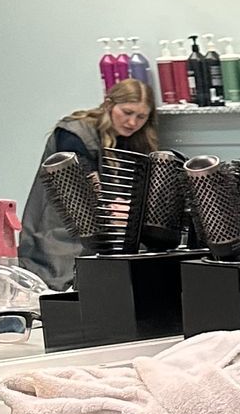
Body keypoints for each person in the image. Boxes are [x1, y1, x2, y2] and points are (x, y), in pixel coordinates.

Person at [18, 78, 160, 288]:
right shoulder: (73, 134)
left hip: (112, 231)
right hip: (63, 233)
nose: (132, 122)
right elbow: (86, 187)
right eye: (127, 112)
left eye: (141, 116)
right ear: (109, 104)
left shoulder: (136, 141)